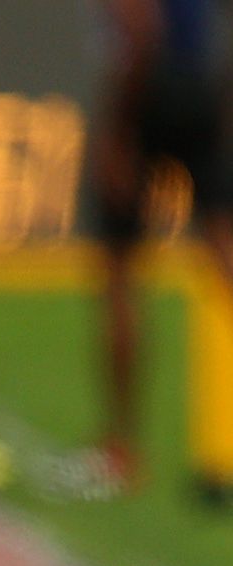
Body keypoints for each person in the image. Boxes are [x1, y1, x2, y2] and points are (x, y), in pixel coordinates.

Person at [91, 0, 233, 494]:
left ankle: (120, 450)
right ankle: (119, 451)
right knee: (223, 252)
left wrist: (120, 132)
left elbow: (139, 25)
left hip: (149, 98)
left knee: (120, 274)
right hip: (197, 90)